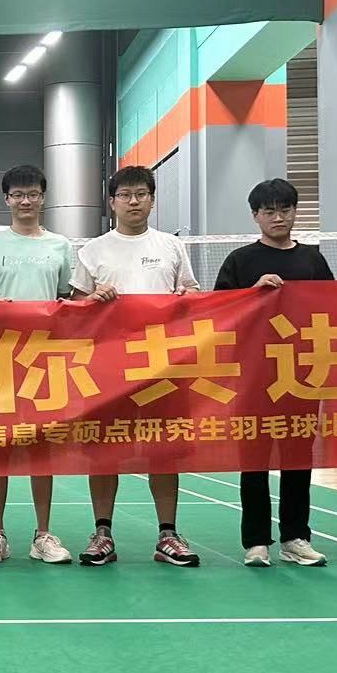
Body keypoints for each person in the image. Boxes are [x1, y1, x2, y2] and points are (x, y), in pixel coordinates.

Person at [69, 165, 201, 568]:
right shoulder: (93, 250)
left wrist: (186, 296)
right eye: (125, 195)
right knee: (103, 450)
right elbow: (73, 309)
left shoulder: (171, 246)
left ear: (152, 200)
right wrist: (91, 299)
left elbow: (192, 294)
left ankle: (168, 534)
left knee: (164, 450)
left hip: (162, 368)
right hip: (107, 370)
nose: (133, 201)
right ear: (112, 202)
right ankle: (102, 534)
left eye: (141, 194)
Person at [212, 179, 334, 569]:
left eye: (285, 209)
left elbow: (334, 310)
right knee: (254, 459)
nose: (278, 217)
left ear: (295, 212)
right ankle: (256, 541)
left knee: (298, 459)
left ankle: (296, 537)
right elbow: (217, 314)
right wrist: (252, 292)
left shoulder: (313, 260)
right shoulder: (239, 261)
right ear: (255, 216)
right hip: (253, 377)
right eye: (269, 211)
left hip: (301, 375)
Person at [0, 165, 74, 565]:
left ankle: (43, 534)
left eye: (32, 194)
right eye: (17, 194)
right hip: (0, 359)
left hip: (45, 361)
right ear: (7, 200)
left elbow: (66, 301)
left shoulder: (61, 245)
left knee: (41, 449)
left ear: (43, 198)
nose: (25, 201)